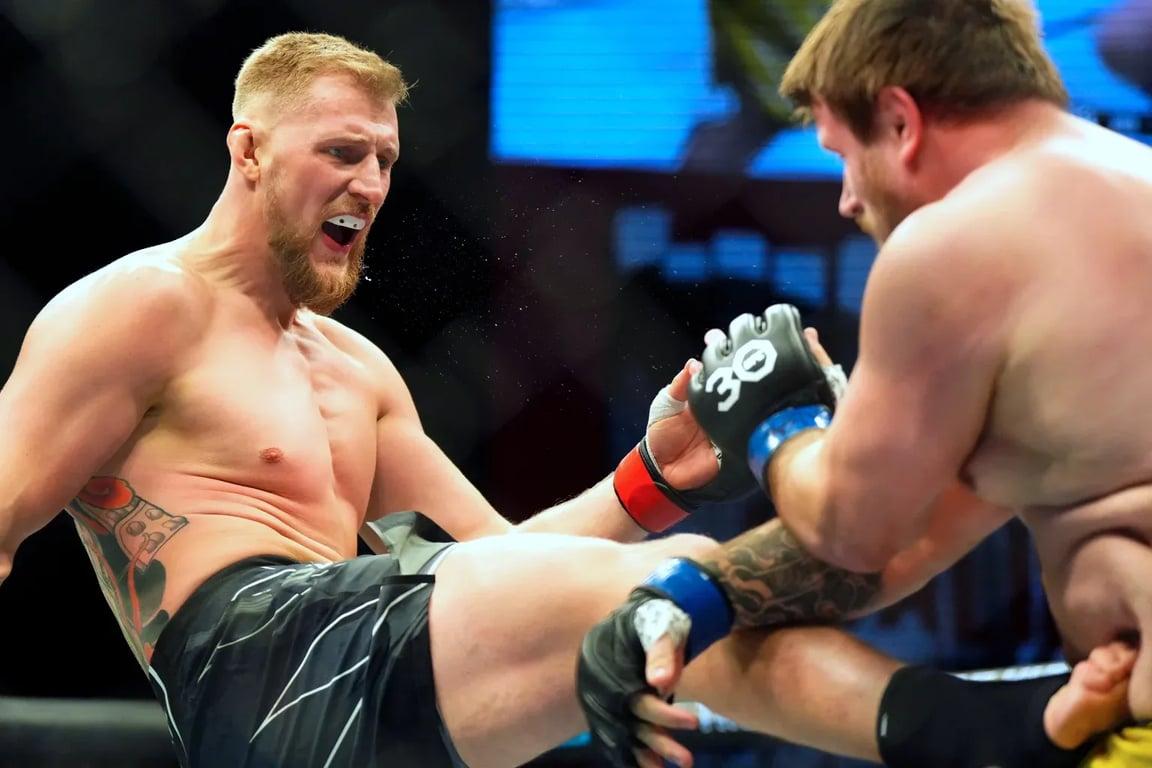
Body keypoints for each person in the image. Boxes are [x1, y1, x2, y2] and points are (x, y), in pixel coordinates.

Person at [0, 27, 1129, 768]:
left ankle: (986, 726)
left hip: (376, 648)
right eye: (340, 152)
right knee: (659, 599)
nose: (371, 185)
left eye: (387, 160)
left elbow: (499, 563)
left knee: (660, 607)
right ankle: (994, 727)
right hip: (251, 674)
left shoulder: (355, 369)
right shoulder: (140, 306)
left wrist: (648, 479)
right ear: (245, 149)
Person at [578, 0, 1152, 765]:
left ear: (900, 119)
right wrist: (691, 592)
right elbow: (917, 534)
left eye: (842, 153)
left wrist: (775, 423)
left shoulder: (954, 243)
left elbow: (855, 527)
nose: (847, 198)